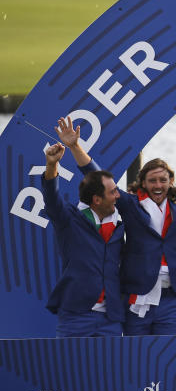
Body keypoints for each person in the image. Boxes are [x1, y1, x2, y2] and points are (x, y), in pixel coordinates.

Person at [58, 116, 176, 335]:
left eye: (163, 180)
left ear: (170, 181)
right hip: (137, 296)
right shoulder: (130, 204)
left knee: (169, 357)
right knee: (137, 359)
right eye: (153, 181)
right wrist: (74, 146)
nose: (158, 185)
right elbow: (96, 177)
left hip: (171, 299)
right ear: (143, 182)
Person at [41, 142, 124, 337]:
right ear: (96, 200)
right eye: (113, 192)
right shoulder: (69, 218)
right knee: (70, 367)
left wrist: (75, 146)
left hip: (110, 317)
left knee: (110, 368)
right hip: (76, 316)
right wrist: (52, 165)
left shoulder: (119, 219)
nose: (118, 195)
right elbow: (52, 199)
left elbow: (98, 177)